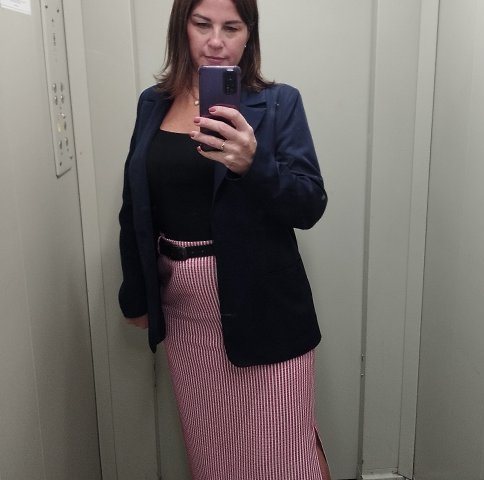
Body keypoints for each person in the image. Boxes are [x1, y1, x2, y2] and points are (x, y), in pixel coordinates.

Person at [117, 0, 330, 478]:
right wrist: (136, 294)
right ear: (182, 27)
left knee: (285, 454)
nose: (216, 41)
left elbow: (309, 204)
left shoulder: (279, 103)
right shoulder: (153, 103)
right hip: (185, 314)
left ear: (249, 34)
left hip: (265, 307)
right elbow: (135, 205)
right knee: (213, 451)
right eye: (202, 24)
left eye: (231, 27)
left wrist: (254, 163)